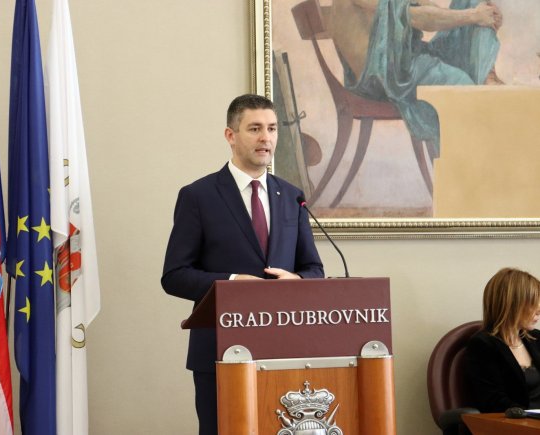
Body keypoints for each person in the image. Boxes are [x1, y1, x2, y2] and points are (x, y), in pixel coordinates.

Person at [161, 94, 324, 435]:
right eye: (255, 129)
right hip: (219, 352)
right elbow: (175, 276)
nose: (266, 138)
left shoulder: (292, 196)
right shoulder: (198, 196)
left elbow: (314, 269)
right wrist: (232, 282)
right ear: (230, 135)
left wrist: (297, 281)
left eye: (272, 129)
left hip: (284, 350)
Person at [330, 0, 503, 156]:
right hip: (383, 77)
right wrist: (473, 16)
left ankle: (486, 74)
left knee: (471, 1)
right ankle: (464, 168)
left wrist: (484, 15)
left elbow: (427, 8)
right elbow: (419, 18)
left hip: (404, 60)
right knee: (460, 86)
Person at [466, 267, 540, 412]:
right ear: (511, 304)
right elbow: (492, 401)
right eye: (533, 303)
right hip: (519, 421)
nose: (539, 309)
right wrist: (528, 416)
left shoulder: (536, 338)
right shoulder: (482, 345)